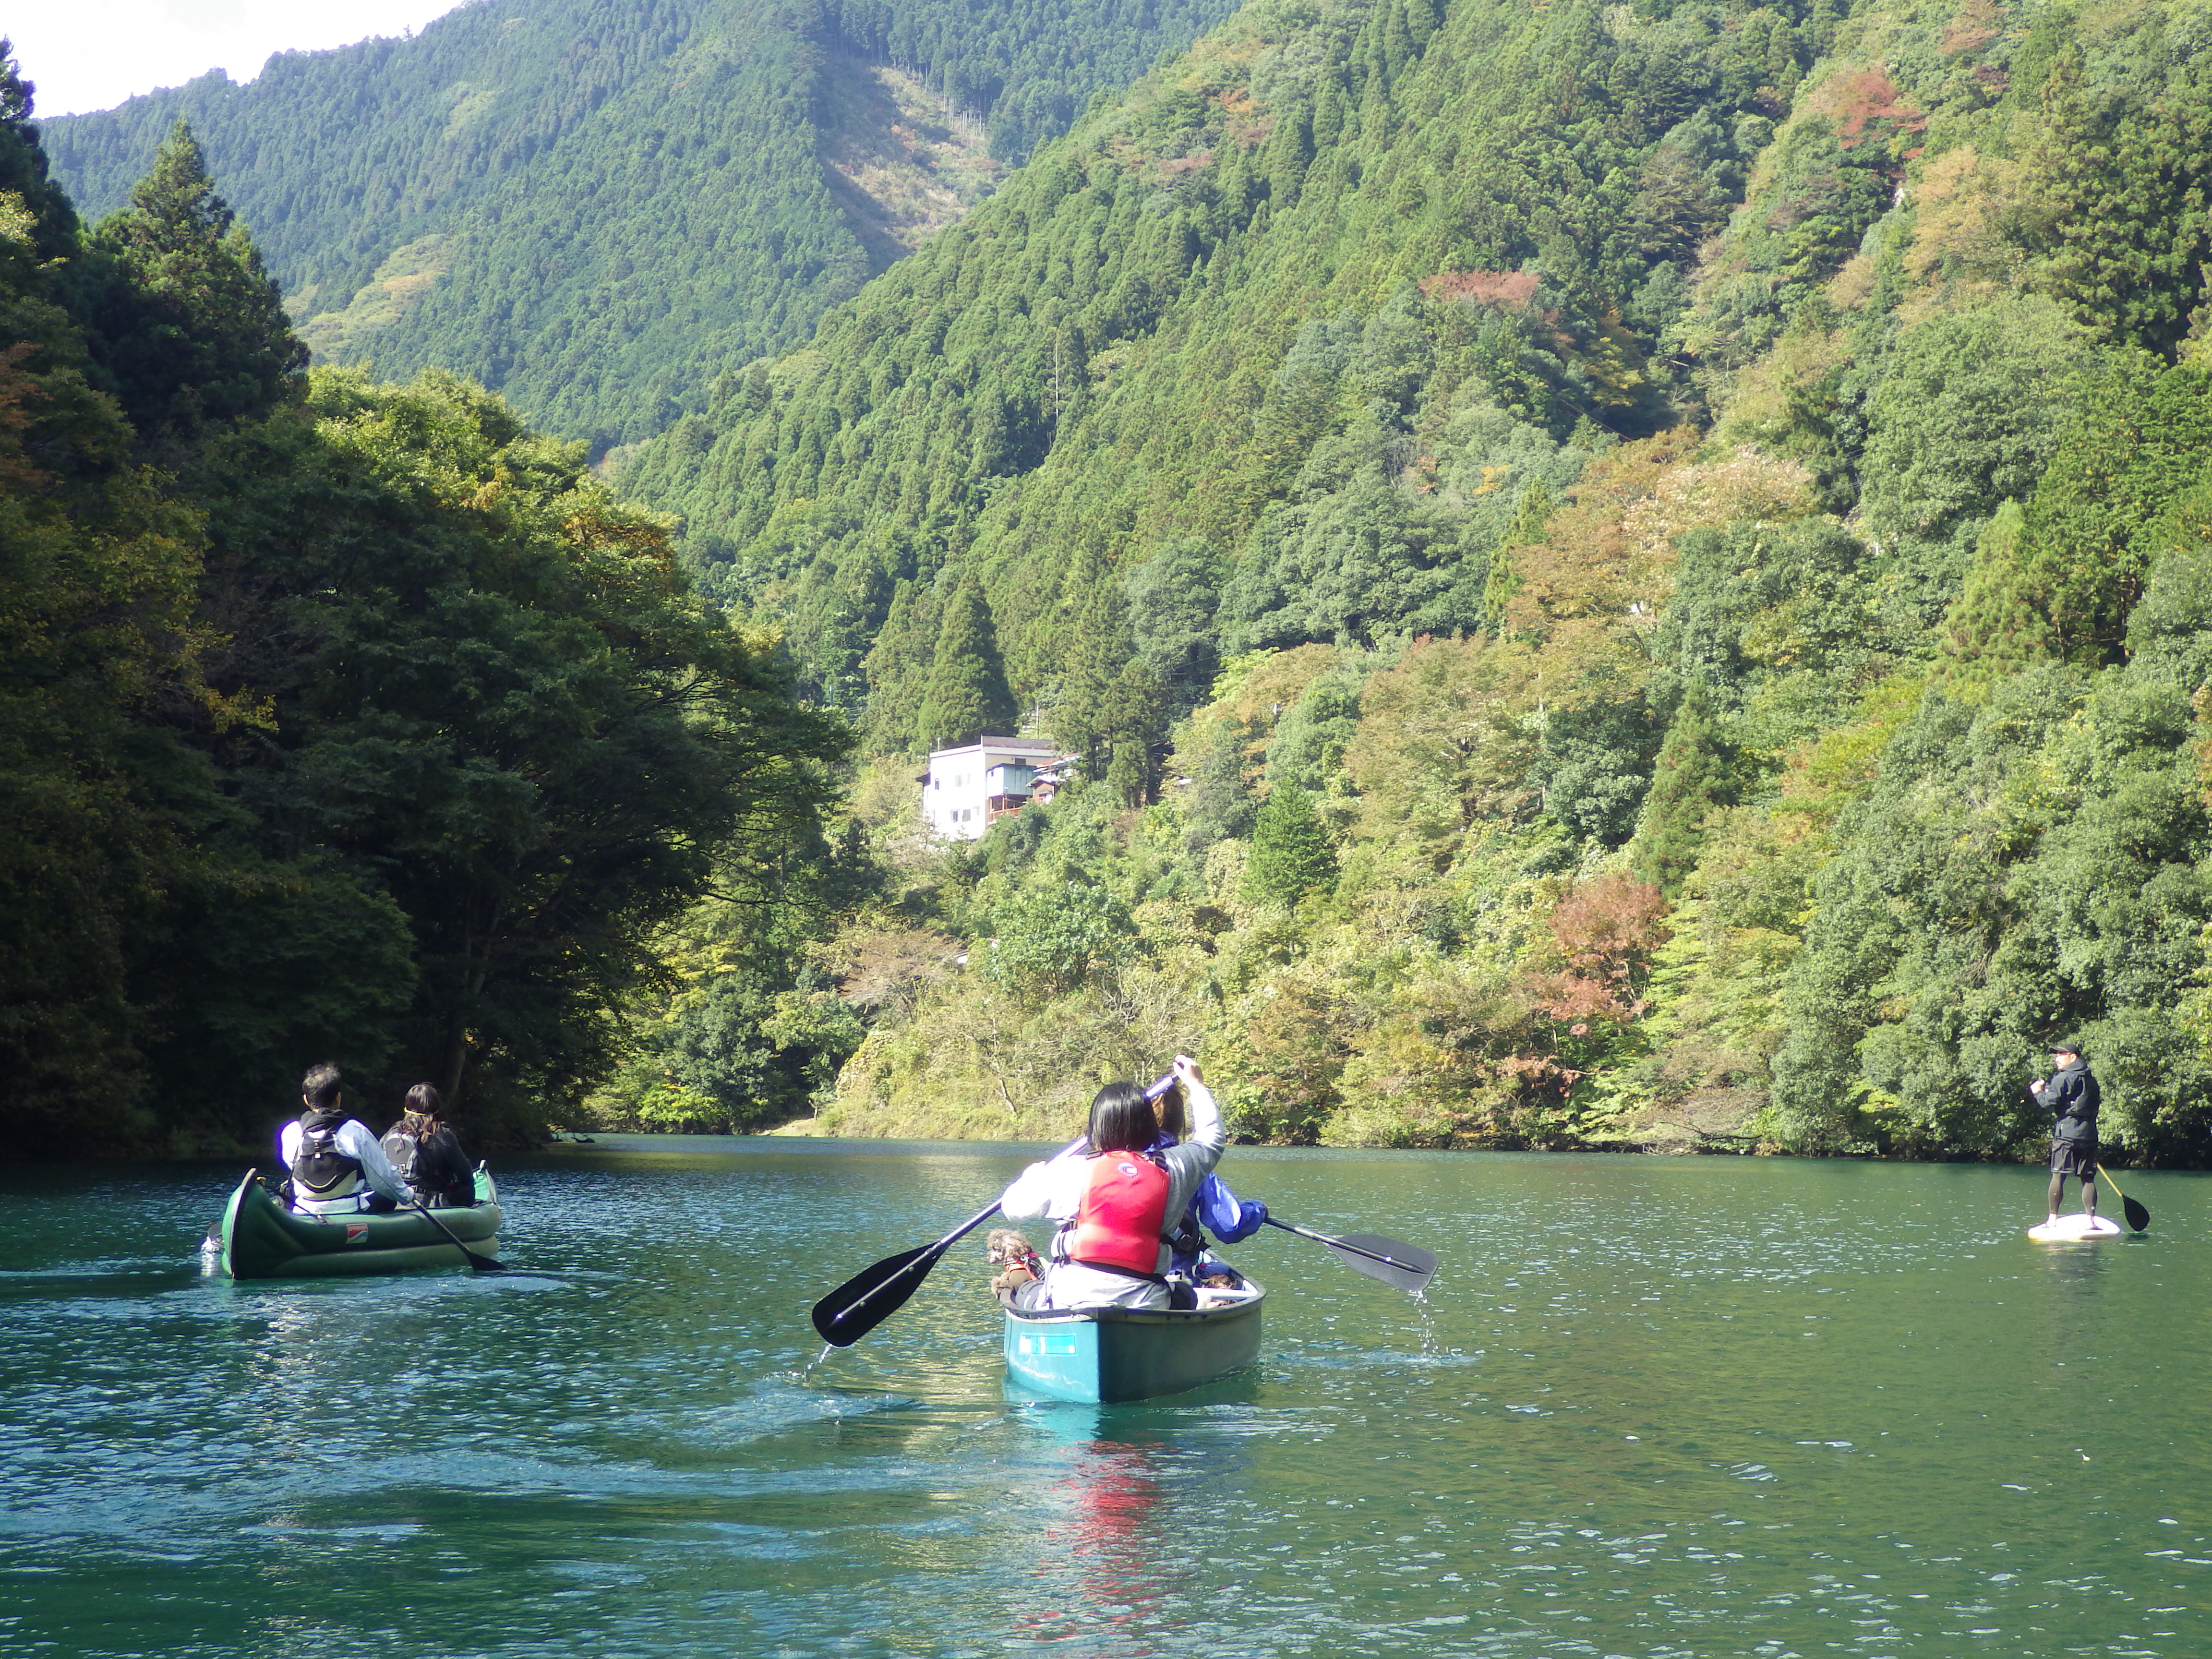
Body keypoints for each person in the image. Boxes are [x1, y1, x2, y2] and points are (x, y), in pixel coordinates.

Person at [999, 1054, 1226, 1311]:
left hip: (1070, 1300)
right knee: (1184, 1294)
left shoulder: (1070, 1171)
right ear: (1150, 1127)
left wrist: (1030, 1179)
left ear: (1095, 1128)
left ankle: (1019, 1275)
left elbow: (1012, 1209)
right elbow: (1212, 1139)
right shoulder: (1175, 1168)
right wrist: (1197, 1086)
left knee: (1026, 1292)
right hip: (1145, 1303)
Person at [1152, 1079, 1266, 1279]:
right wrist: (1258, 1210)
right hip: (1172, 1278)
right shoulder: (1192, 1165)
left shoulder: (1109, 1163)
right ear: (1179, 1121)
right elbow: (1231, 1227)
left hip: (1114, 1272)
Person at [279, 1063, 414, 1215]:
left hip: (304, 1211)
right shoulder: (354, 1130)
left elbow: (294, 1167)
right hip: (349, 1212)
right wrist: (408, 1196)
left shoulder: (291, 1132)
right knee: (387, 1199)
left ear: (306, 1100)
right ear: (338, 1098)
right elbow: (383, 1178)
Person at [2030, 1039, 2100, 1226]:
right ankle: (2090, 1220)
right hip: (2089, 1135)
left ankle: (2052, 1219)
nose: (2057, 1059)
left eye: (2061, 1055)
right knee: (2088, 1177)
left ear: (2073, 1057)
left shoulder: (2064, 1077)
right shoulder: (2091, 1080)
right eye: (2056, 1055)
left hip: (2067, 1135)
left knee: (2058, 1174)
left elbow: (2048, 1102)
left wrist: (2038, 1092)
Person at [379, 1083, 477, 1209]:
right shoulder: (442, 1135)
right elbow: (464, 1173)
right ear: (436, 1108)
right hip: (429, 1205)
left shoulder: (392, 1132)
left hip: (394, 1202)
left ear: (407, 1107)